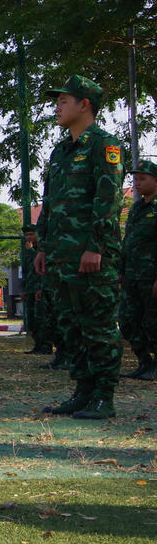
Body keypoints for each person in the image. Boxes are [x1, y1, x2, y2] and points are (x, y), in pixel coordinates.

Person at [35, 75, 125, 419]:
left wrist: (96, 247)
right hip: (60, 256)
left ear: (84, 104)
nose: (57, 108)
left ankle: (104, 396)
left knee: (97, 326)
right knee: (71, 326)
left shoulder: (104, 145)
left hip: (90, 255)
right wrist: (43, 247)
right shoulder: (60, 150)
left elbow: (109, 199)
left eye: (63, 101)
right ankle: (82, 390)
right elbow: (50, 201)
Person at [118, 159, 157, 381]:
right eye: (135, 179)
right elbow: (128, 242)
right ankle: (145, 362)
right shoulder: (136, 208)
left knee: (153, 322)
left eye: (142, 178)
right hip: (133, 276)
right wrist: (122, 271)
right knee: (127, 320)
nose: (137, 183)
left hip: (151, 276)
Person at [21, 225, 51, 354]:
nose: (29, 237)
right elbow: (25, 271)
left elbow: (41, 267)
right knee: (32, 320)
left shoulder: (41, 250)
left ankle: (45, 346)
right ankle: (38, 345)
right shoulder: (27, 250)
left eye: (31, 234)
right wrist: (23, 289)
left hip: (40, 288)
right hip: (30, 288)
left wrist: (32, 251)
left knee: (41, 319)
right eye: (27, 235)